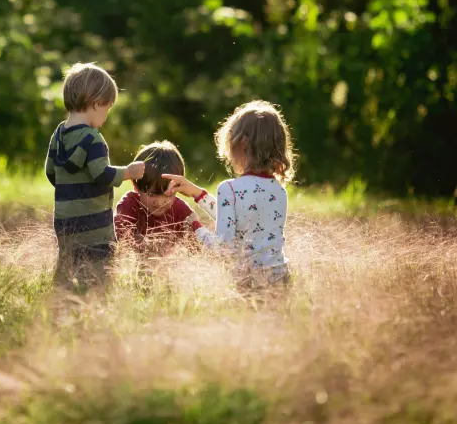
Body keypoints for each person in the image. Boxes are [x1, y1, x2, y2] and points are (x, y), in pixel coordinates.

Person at [163, 100, 295, 282]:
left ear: (241, 144)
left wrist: (196, 228)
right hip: (281, 279)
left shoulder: (229, 189)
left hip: (251, 284)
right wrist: (197, 194)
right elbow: (241, 220)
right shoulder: (278, 191)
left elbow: (224, 249)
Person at [45, 62, 145, 261]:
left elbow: (51, 172)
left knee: (69, 263)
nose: (106, 116)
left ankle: (63, 292)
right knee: (100, 267)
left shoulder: (58, 135)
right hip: (94, 223)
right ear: (97, 103)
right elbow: (102, 174)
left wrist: (71, 191)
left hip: (65, 219)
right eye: (107, 110)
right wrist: (128, 172)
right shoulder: (93, 138)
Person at [115, 141, 195, 250]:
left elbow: (198, 242)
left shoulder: (180, 210)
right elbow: (121, 244)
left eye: (167, 195)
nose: (159, 202)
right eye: (151, 194)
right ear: (136, 186)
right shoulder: (129, 206)